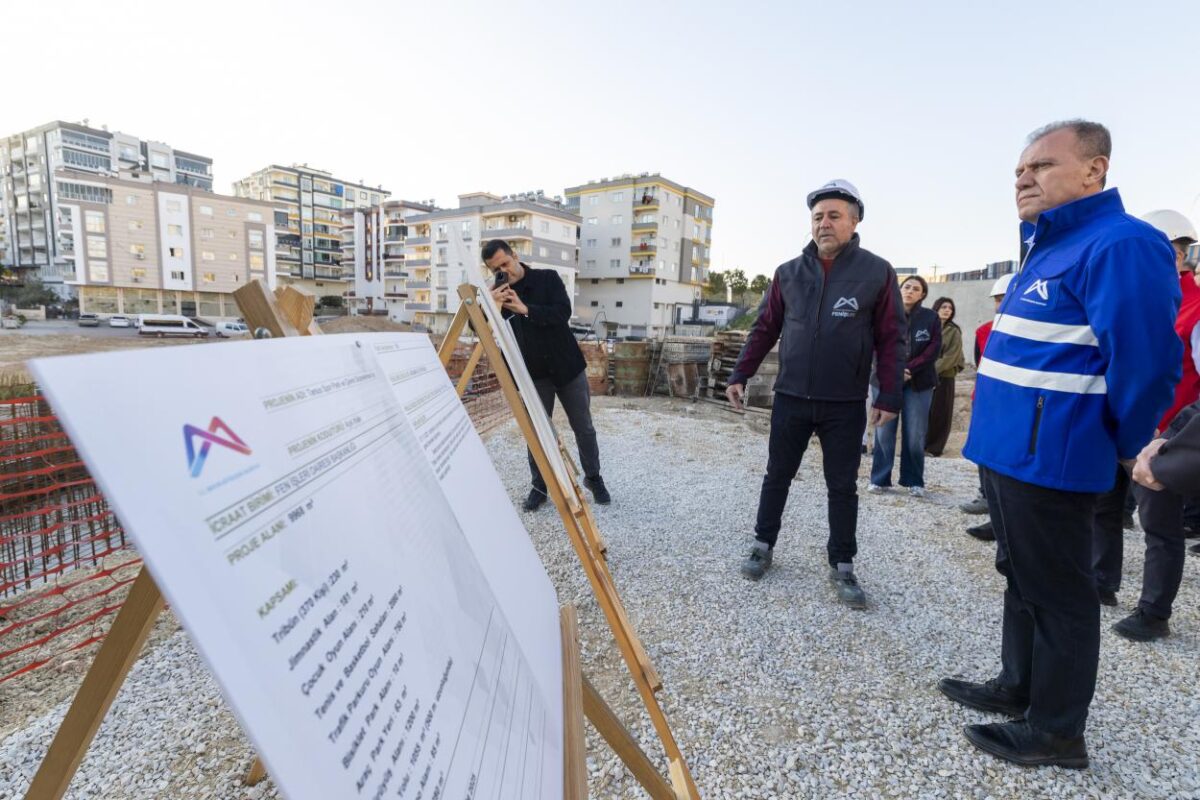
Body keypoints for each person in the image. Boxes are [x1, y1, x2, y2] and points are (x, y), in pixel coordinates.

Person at [938, 120, 1182, 769]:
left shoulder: (1121, 243)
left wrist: (1128, 443)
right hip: (1009, 451)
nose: (1024, 178)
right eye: (1019, 170)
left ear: (1094, 170)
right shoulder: (1046, 246)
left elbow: (1148, 361)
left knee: (1059, 592)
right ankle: (1018, 685)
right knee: (1020, 574)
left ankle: (1056, 730)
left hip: (1053, 453)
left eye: (1042, 166)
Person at [726, 179, 905, 608]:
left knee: (842, 486)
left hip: (844, 403)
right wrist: (740, 372)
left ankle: (842, 563)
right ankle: (762, 545)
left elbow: (892, 338)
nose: (824, 223)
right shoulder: (788, 273)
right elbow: (764, 328)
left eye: (834, 216)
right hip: (791, 397)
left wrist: (888, 396)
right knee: (777, 475)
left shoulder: (876, 272)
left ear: (854, 221)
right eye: (818, 217)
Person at [1093, 211, 1200, 639]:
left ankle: (1154, 612)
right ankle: (1102, 581)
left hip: (1165, 434)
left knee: (1160, 525)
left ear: (1178, 256)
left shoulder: (1195, 309)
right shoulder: (1137, 298)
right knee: (1105, 507)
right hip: (1122, 420)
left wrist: (1176, 438)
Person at [482, 239, 611, 511]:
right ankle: (539, 486)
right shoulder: (494, 294)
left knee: (584, 427)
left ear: (515, 255)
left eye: (505, 263)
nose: (503, 271)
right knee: (538, 432)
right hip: (532, 375)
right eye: (496, 269)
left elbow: (562, 312)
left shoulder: (548, 278)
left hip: (567, 367)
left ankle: (593, 478)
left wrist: (526, 309)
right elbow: (476, 326)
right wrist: (491, 305)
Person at [869, 276, 940, 496]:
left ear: (923, 294)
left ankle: (914, 481)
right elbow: (875, 346)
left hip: (919, 382)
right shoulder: (884, 314)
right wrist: (894, 370)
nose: (910, 291)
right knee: (884, 431)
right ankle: (880, 479)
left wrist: (908, 369)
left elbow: (934, 348)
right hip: (885, 380)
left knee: (915, 433)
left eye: (916, 288)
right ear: (899, 290)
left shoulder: (931, 317)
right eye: (906, 287)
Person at [961, 273, 1013, 536]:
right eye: (998, 299)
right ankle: (987, 499)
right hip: (985, 401)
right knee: (985, 454)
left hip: (1015, 404)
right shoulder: (983, 331)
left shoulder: (1033, 331)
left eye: (1006, 298)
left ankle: (1005, 518)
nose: (1001, 304)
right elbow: (980, 364)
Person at [925, 296, 965, 457]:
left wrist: (929, 369)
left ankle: (934, 448)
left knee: (940, 413)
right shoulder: (928, 327)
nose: (947, 310)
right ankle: (919, 445)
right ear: (936, 308)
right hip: (925, 376)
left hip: (944, 377)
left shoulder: (954, 331)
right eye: (944, 307)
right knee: (924, 412)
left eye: (950, 308)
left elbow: (951, 357)